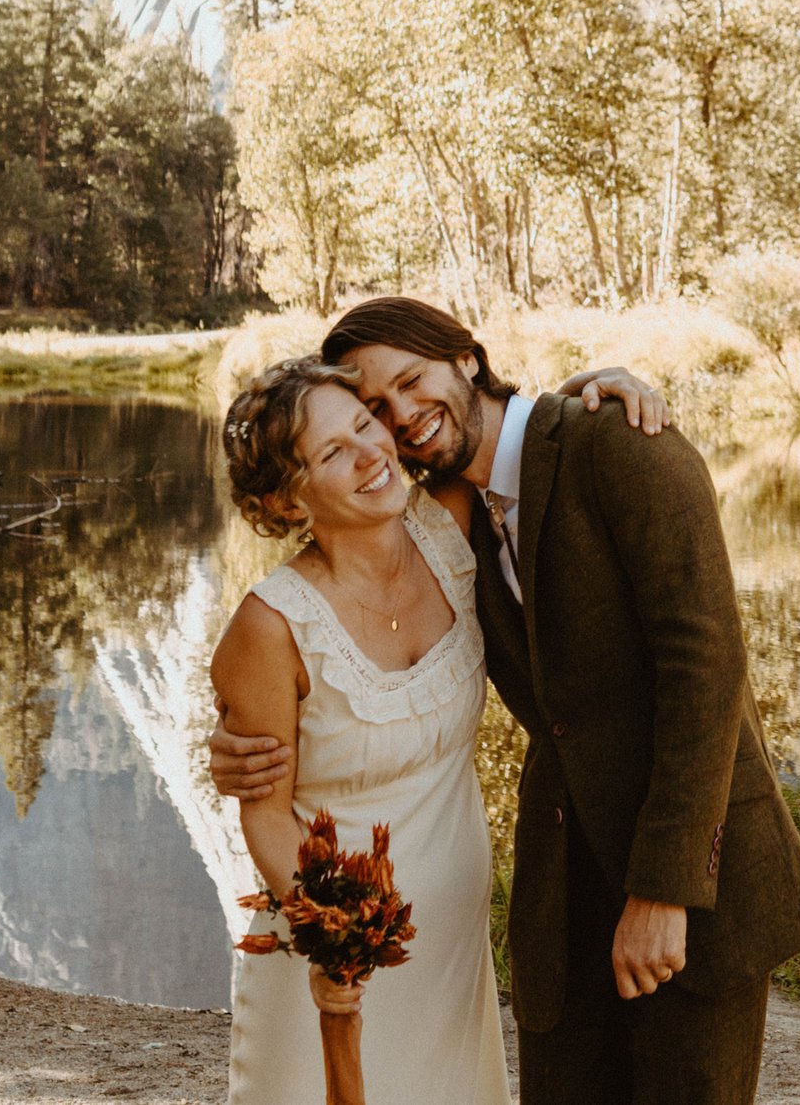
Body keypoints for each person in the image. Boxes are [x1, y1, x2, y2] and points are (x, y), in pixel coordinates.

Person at [213, 299, 800, 1105]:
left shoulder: (595, 452)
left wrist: (666, 888)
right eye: (370, 413)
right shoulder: (443, 517)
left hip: (682, 876)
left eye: (408, 385)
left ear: (466, 357)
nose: (391, 427)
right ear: (291, 499)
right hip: (547, 895)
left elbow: (706, 667)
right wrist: (235, 753)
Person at [210, 350, 667, 1105]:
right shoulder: (270, 626)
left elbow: (517, 439)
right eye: (332, 452)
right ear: (290, 503)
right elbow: (262, 813)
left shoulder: (447, 524)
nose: (370, 454)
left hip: (454, 941)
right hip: (339, 959)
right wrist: (339, 935)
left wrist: (601, 390)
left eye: (365, 424)